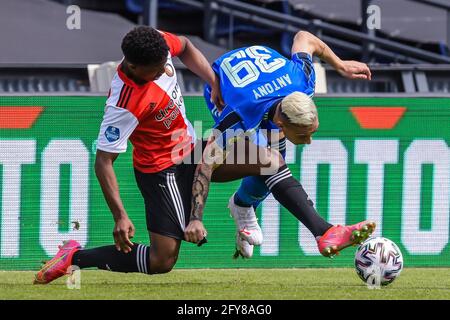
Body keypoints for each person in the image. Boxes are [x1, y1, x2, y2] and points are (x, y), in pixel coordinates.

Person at [33, 26, 223, 284]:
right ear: (133, 67)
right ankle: (75, 257)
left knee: (265, 161)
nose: (162, 73)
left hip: (189, 148)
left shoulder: (158, 44)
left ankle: (245, 209)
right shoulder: (123, 103)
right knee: (162, 260)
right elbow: (103, 162)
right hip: (160, 169)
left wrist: (213, 82)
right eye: (155, 70)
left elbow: (186, 45)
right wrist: (120, 215)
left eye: (163, 66)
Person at [188, 30, 375, 259]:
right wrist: (196, 218)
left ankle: (244, 206)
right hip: (225, 88)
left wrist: (340, 65)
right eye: (304, 135)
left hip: (264, 79)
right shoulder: (238, 117)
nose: (309, 141)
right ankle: (248, 209)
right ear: (281, 123)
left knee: (274, 162)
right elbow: (206, 163)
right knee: (267, 160)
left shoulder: (303, 80)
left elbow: (303, 37)